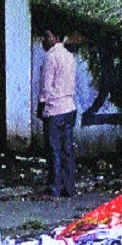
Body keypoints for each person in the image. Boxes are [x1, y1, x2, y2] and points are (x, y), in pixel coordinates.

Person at [37, 27, 78, 198]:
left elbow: (46, 86)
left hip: (55, 108)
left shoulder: (51, 57)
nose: (43, 40)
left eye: (46, 36)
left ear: (55, 38)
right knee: (66, 149)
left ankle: (55, 187)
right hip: (70, 106)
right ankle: (69, 187)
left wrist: (41, 105)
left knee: (53, 149)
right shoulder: (70, 57)